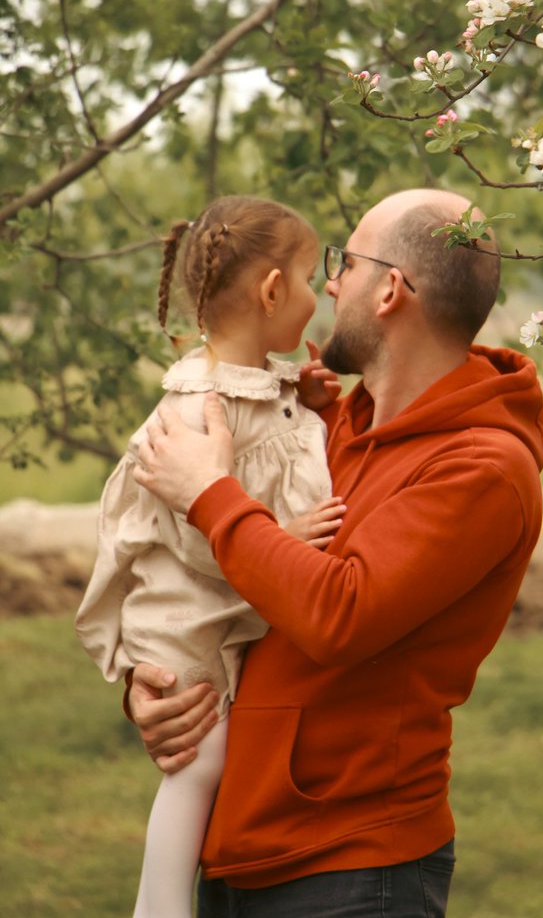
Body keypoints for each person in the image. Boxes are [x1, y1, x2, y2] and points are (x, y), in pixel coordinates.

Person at [130, 188, 543, 918]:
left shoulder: (482, 469)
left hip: (352, 866)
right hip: (246, 842)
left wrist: (211, 493)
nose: (328, 282)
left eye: (343, 263)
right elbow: (242, 578)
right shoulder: (330, 425)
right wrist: (159, 678)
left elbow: (339, 613)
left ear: (390, 288)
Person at [75, 195, 345, 918]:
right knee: (200, 763)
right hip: (185, 619)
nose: (320, 296)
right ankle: (158, 908)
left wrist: (308, 396)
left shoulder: (252, 388)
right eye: (314, 277)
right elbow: (197, 530)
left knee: (220, 761)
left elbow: (273, 444)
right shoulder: (197, 413)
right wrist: (284, 542)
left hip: (224, 612)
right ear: (273, 291)